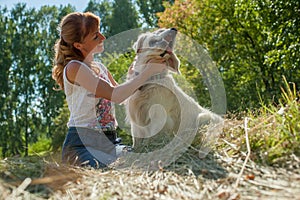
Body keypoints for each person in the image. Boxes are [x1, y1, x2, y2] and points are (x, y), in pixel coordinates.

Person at [52, 12, 167, 168]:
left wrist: (138, 71)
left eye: (100, 31)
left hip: (109, 142)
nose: (102, 37)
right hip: (82, 145)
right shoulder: (74, 68)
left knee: (143, 161)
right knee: (111, 169)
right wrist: (148, 72)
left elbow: (124, 95)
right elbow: (116, 95)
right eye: (95, 36)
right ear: (78, 45)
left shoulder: (100, 68)